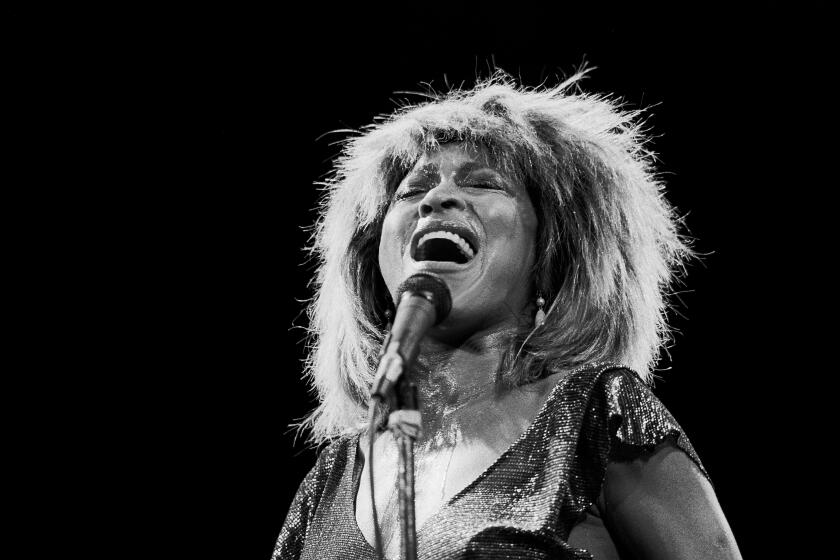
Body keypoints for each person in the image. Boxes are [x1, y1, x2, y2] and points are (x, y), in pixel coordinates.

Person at [273, 72, 742, 559]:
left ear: (549, 259)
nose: (436, 199)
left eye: (482, 183)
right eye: (412, 191)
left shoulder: (597, 419)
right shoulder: (329, 480)